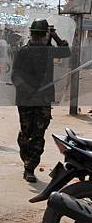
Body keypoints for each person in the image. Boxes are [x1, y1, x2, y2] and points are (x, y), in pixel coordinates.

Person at [12, 19, 71, 183]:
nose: (38, 37)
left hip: (43, 99)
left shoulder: (49, 50)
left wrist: (56, 36)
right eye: (35, 34)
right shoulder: (24, 51)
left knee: (39, 134)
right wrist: (28, 89)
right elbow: (15, 75)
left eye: (41, 34)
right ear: (31, 34)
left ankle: (29, 168)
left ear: (45, 35)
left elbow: (66, 52)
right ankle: (26, 157)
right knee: (26, 134)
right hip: (25, 99)